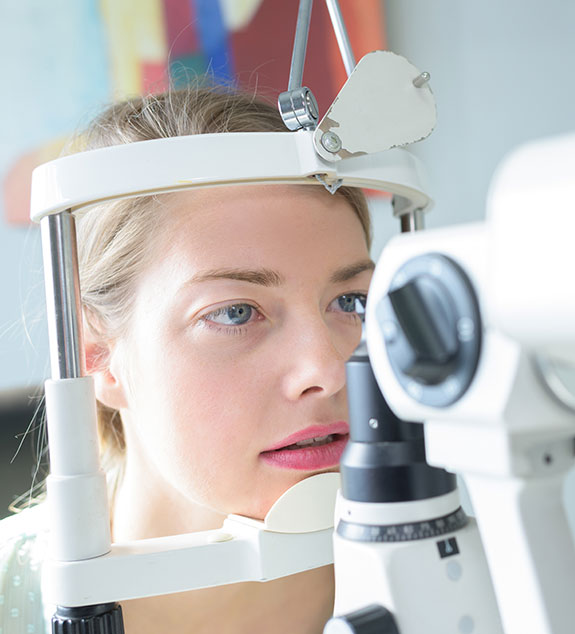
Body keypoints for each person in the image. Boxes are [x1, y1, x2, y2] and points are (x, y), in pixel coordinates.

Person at [0, 86, 374, 634]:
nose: (327, 369)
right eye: (237, 313)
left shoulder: (461, 569)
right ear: (96, 355)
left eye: (350, 302)